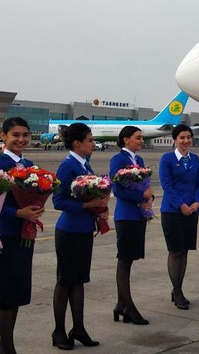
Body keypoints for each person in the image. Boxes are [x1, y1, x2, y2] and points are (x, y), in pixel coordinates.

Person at [52, 123, 109, 350]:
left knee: (79, 281)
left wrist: (99, 208)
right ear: (77, 143)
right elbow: (59, 201)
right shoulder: (67, 167)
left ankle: (78, 328)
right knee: (65, 281)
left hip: (83, 229)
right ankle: (58, 330)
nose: (93, 144)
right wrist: (89, 205)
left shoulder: (85, 164)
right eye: (90, 140)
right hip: (69, 231)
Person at [0, 118, 45, 354]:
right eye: (15, 135)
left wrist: (37, 207)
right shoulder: (0, 163)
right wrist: (18, 212)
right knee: (6, 294)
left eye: (25, 135)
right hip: (5, 235)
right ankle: (8, 347)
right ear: (3, 136)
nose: (21, 140)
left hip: (24, 234)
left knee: (17, 292)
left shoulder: (29, 164)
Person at [109, 126, 154, 325]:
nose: (141, 140)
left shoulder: (139, 160)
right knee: (124, 260)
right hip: (126, 215)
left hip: (138, 214)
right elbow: (117, 190)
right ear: (126, 140)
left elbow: (145, 186)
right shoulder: (118, 160)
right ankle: (129, 307)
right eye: (138, 138)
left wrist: (149, 197)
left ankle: (121, 305)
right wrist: (140, 196)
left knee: (130, 259)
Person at [159, 124, 199, 310]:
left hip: (191, 211)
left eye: (188, 137)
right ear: (174, 140)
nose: (186, 141)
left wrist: (197, 203)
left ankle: (178, 288)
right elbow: (167, 185)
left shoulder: (195, 159)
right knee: (175, 251)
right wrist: (181, 205)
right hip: (172, 211)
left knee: (184, 251)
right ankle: (177, 292)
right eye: (182, 138)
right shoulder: (167, 159)